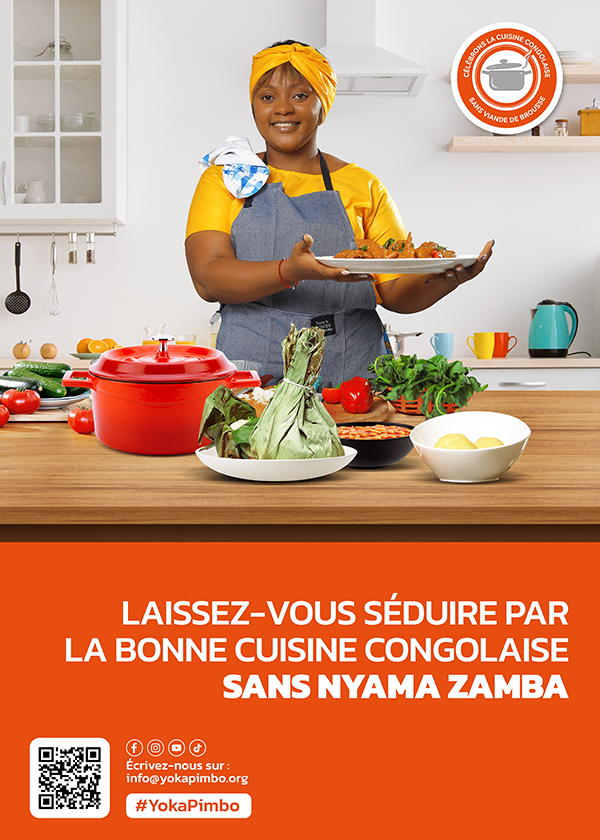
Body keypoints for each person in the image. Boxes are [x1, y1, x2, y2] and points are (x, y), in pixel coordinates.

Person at [185, 40, 493, 384]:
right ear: (254, 106)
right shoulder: (226, 178)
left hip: (353, 368)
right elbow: (207, 278)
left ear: (323, 103)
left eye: (300, 95)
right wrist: (290, 270)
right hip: (254, 366)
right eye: (267, 97)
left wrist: (446, 280)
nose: (283, 108)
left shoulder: (363, 185)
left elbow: (394, 293)